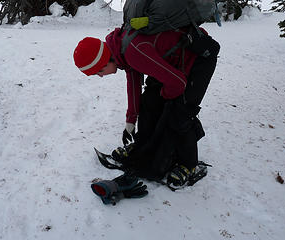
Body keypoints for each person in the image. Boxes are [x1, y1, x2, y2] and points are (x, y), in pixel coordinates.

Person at [74, 26, 219, 187]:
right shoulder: (120, 48)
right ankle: (143, 147)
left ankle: (190, 165)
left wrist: (165, 100)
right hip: (174, 62)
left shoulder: (132, 51)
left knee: (181, 113)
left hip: (198, 59)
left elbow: (177, 84)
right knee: (149, 102)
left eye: (97, 72)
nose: (100, 76)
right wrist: (131, 120)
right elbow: (134, 82)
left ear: (103, 62)